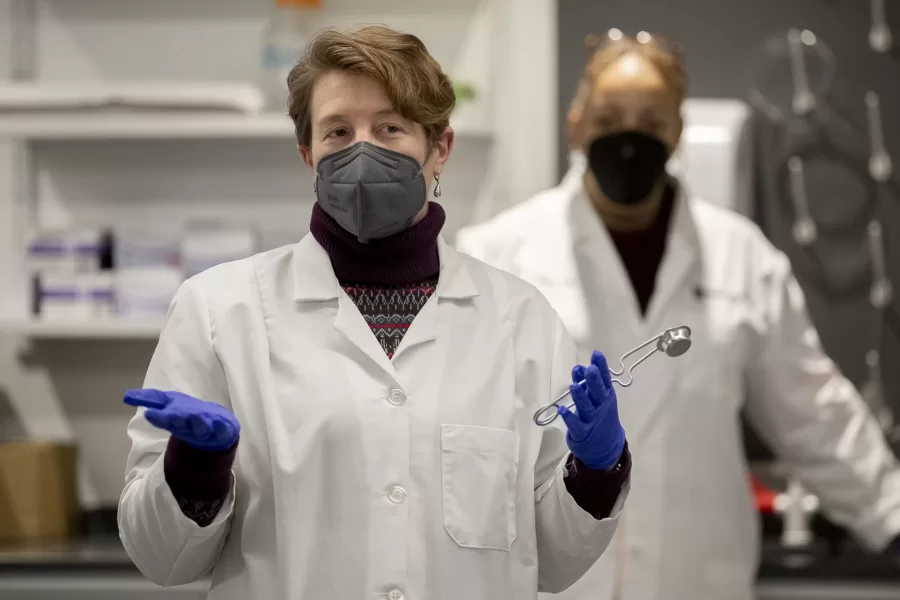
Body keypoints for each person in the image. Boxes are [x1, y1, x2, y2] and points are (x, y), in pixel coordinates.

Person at [117, 25, 633, 600]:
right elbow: (161, 559)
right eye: (338, 130)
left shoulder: (520, 320)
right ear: (307, 153)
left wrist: (597, 467)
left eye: (391, 127)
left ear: (440, 148)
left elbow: (554, 562)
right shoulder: (219, 311)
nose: (363, 150)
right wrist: (195, 468)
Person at [456, 32, 900, 600]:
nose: (629, 137)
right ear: (576, 125)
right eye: (609, 117)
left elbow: (815, 412)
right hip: (555, 582)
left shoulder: (742, 257)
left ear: (678, 133)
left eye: (651, 120)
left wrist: (889, 518)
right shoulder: (498, 255)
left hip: (696, 574)